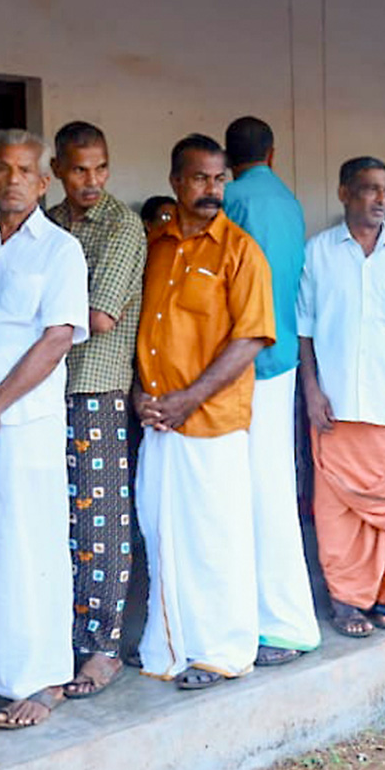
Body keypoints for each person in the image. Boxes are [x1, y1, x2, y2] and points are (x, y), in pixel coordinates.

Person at [0, 130, 89, 727]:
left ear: (42, 181)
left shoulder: (59, 251)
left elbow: (56, 339)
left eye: (25, 170)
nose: (12, 179)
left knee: (31, 547)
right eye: (3, 168)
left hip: (22, 423)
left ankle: (45, 677)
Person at [135, 135, 275, 688]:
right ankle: (170, 646)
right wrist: (139, 397)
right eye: (200, 179)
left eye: (219, 179)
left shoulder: (241, 250)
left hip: (210, 423)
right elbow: (143, 331)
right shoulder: (157, 244)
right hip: (158, 421)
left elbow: (250, 340)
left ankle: (224, 652)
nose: (212, 190)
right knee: (163, 533)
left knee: (216, 540)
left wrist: (187, 399)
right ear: (175, 181)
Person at [298, 157, 385, 636]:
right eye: (368, 189)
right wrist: (312, 392)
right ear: (344, 193)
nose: (381, 199)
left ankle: (383, 593)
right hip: (335, 408)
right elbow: (305, 331)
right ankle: (345, 599)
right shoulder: (318, 252)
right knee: (337, 512)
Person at [42, 122, 149, 699]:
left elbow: (100, 315)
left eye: (101, 168)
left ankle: (104, 647)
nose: (92, 180)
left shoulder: (122, 226)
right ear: (57, 169)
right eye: (80, 169)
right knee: (56, 522)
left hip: (95, 387)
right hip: (44, 388)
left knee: (101, 523)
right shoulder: (50, 224)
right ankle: (61, 637)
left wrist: (25, 328)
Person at [221, 116, 322, 663]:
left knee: (253, 496)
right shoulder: (289, 201)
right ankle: (263, 617)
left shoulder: (231, 199)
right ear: (273, 153)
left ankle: (282, 623)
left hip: (245, 363)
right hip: (279, 358)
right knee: (270, 489)